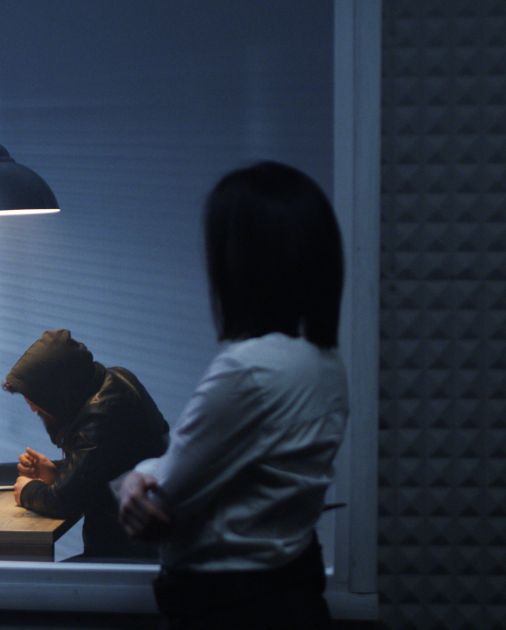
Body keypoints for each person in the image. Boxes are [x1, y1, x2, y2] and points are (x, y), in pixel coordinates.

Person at [115, 161, 347, 629]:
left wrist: (136, 479)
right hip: (292, 594)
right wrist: (145, 474)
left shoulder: (247, 371)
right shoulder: (322, 363)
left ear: (240, 261)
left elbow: (163, 498)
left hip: (232, 609)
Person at [3, 329, 169, 559]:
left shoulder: (101, 414)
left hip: (127, 557)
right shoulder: (115, 379)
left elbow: (64, 500)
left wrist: (28, 492)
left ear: (58, 390)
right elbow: (105, 466)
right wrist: (57, 469)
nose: (32, 408)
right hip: (139, 546)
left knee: (32, 588)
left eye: (37, 401)